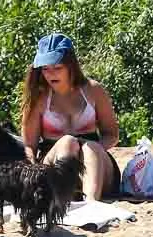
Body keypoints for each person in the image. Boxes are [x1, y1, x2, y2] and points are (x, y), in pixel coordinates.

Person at [20, 32, 120, 201]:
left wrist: (89, 150)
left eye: (57, 68)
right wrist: (30, 174)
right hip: (55, 163)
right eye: (45, 69)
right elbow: (29, 145)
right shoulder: (38, 98)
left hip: (94, 163)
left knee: (91, 147)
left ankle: (91, 203)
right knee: (68, 142)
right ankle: (64, 197)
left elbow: (112, 135)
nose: (51, 74)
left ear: (71, 66)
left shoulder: (93, 90)